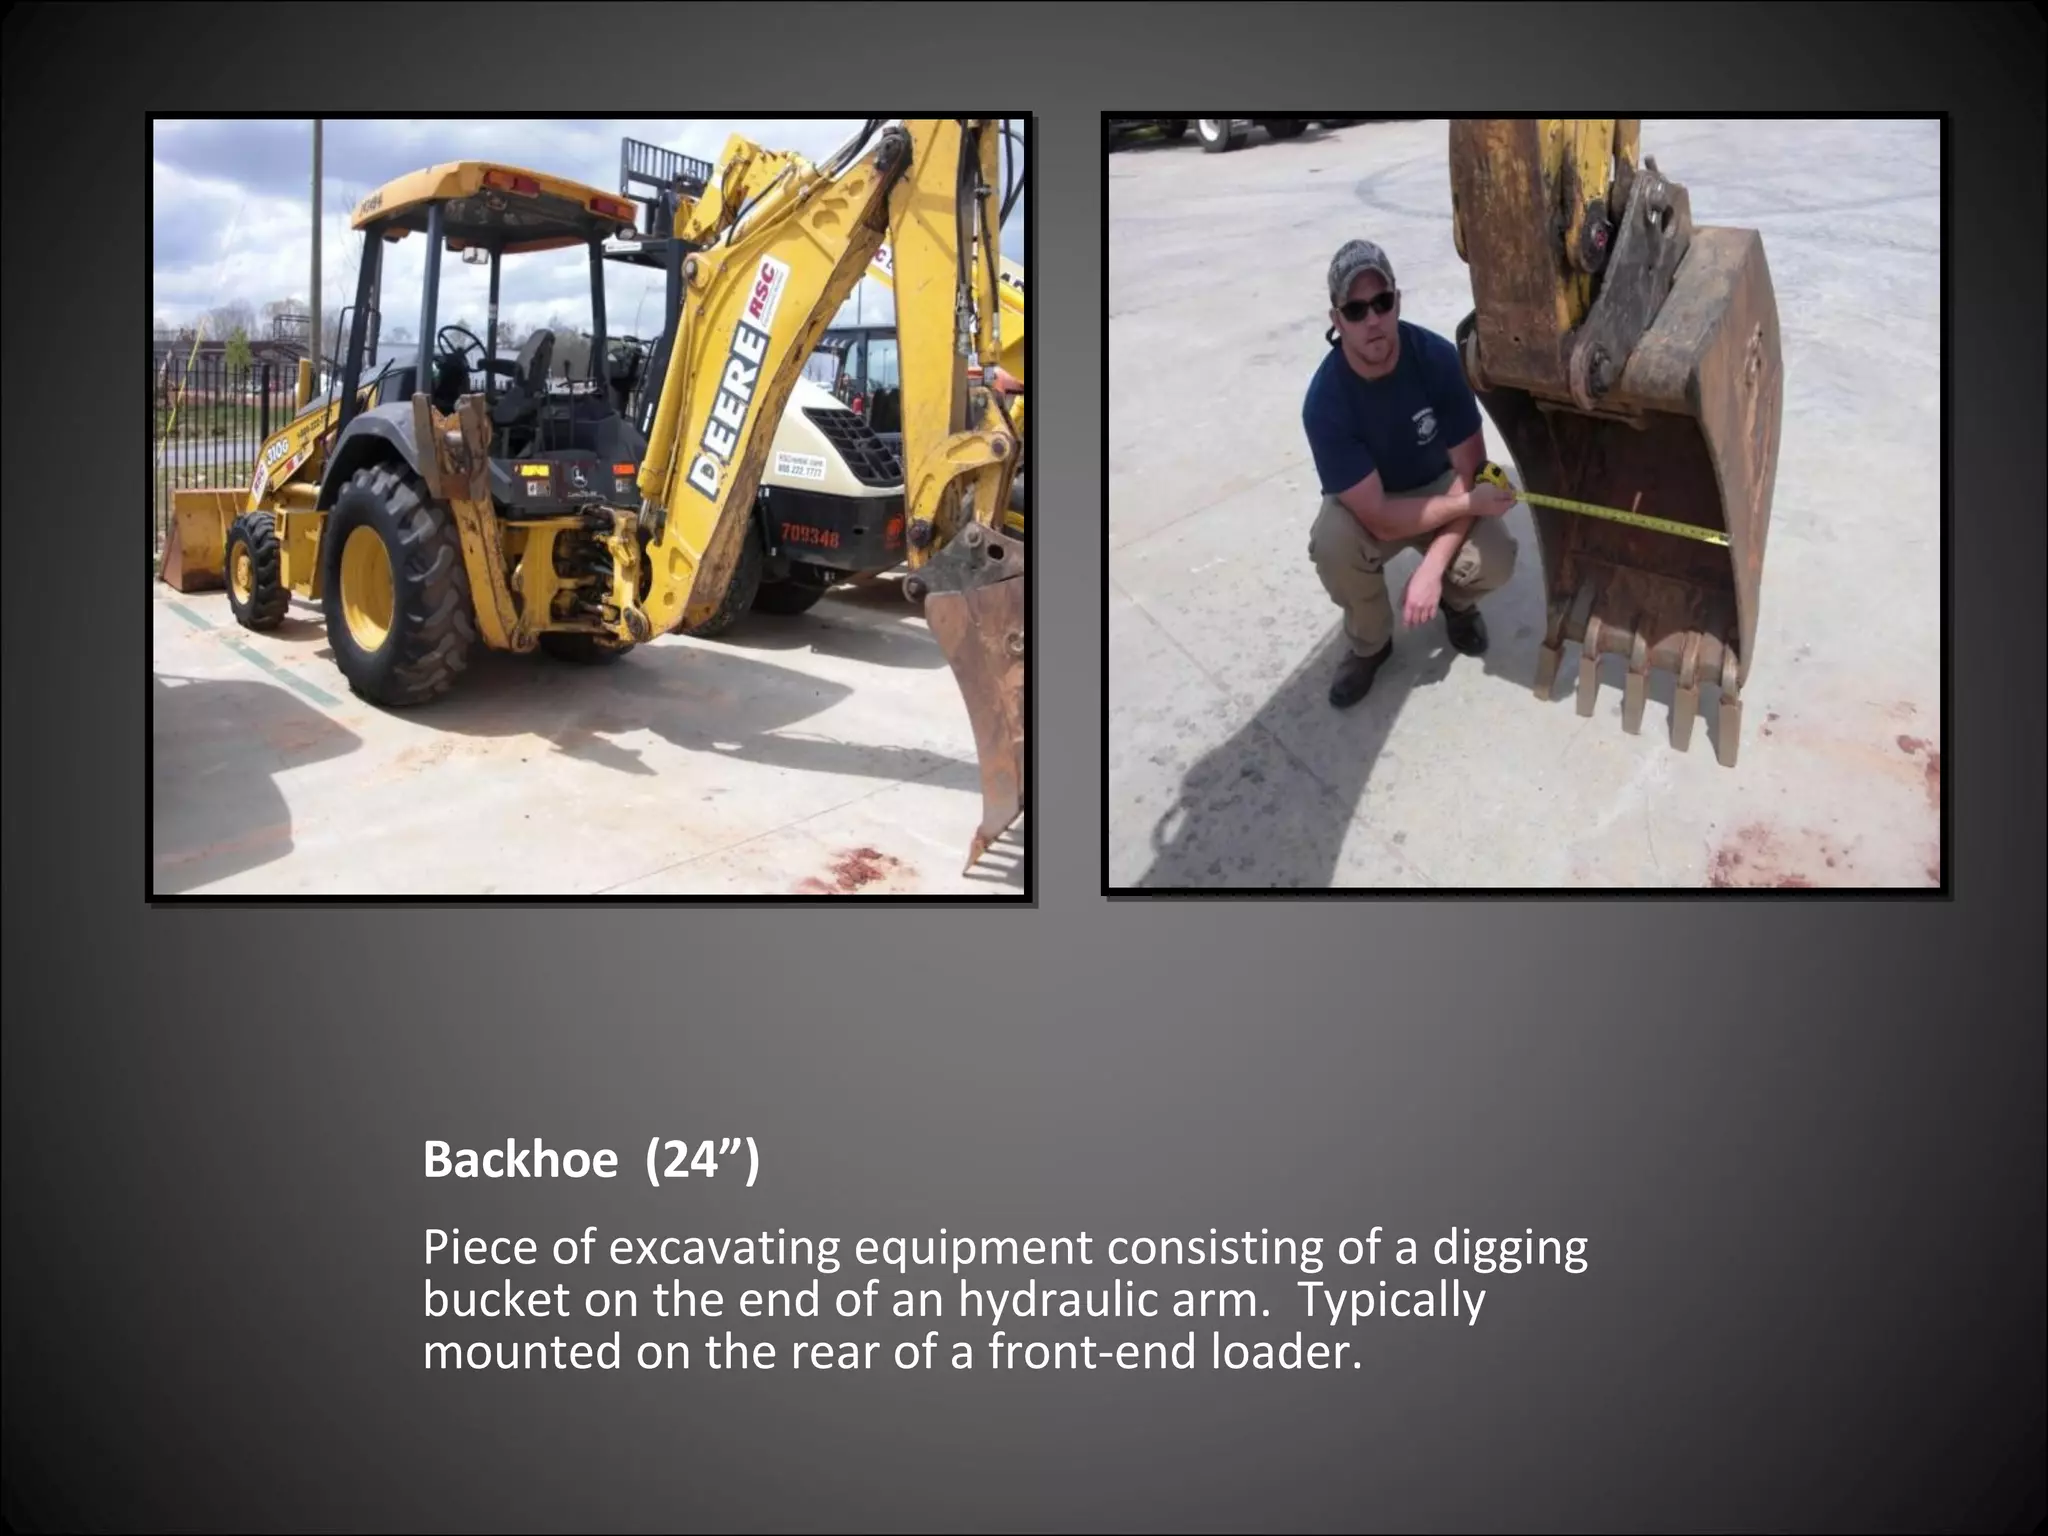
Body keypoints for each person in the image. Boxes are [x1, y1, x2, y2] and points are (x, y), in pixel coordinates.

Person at [1301, 239, 1521, 708]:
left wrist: (1432, 569)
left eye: (1382, 302)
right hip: (1372, 504)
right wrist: (1468, 505)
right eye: (1355, 310)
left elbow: (1472, 472)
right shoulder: (1325, 403)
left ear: (1397, 301)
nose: (1373, 319)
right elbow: (1378, 516)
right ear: (1337, 321)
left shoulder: (1438, 361)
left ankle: (1456, 605)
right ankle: (1371, 643)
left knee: (1497, 557)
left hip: (1438, 485)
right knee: (1333, 544)